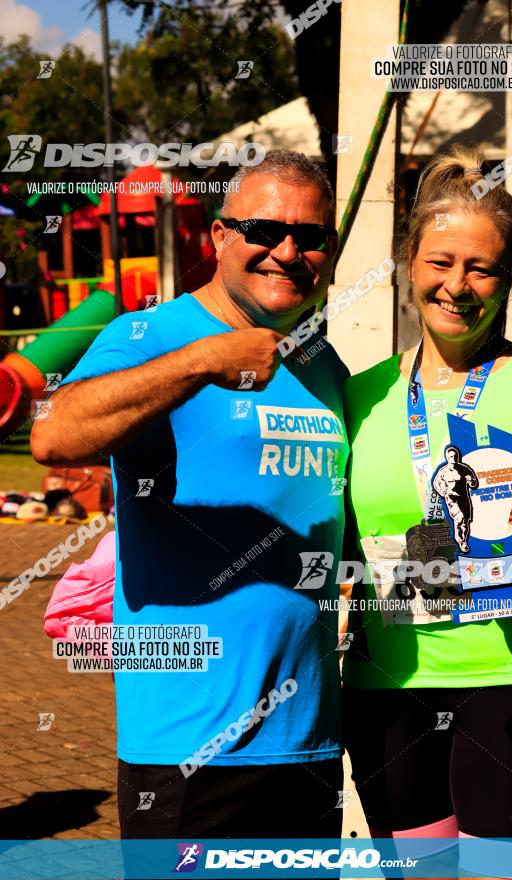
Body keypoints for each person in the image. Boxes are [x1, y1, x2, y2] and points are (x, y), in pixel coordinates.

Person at [31, 150, 349, 841]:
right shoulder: (150, 335)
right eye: (264, 229)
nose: (287, 251)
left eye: (311, 236)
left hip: (310, 742)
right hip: (188, 748)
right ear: (219, 238)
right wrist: (206, 359)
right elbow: (53, 437)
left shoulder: (321, 362)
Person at [342, 145, 512, 879]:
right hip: (387, 690)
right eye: (440, 262)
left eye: (480, 268)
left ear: (505, 278)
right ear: (408, 265)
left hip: (511, 681)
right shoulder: (360, 396)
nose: (457, 285)